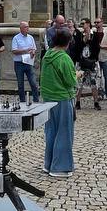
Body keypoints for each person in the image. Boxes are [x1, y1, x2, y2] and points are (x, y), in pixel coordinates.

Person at [41, 27, 77, 178]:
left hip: (48, 98)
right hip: (62, 98)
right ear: (67, 42)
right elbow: (70, 81)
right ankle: (59, 167)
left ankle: (48, 164)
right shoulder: (64, 58)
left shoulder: (47, 55)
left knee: (51, 131)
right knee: (64, 132)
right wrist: (78, 75)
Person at [11, 21, 40, 102]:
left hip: (28, 62)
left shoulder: (31, 37)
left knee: (33, 83)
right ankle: (22, 101)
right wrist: (25, 51)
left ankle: (36, 100)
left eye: (28, 26)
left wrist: (33, 52)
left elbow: (34, 48)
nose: (28, 28)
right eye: (25, 27)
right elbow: (14, 50)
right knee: (20, 84)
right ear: (21, 29)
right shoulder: (16, 38)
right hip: (19, 63)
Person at [91, 18, 107, 99]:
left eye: (98, 22)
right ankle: (100, 93)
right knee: (97, 78)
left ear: (102, 23)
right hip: (95, 58)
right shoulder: (93, 33)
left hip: (106, 57)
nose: (96, 24)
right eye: (95, 22)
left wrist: (103, 46)